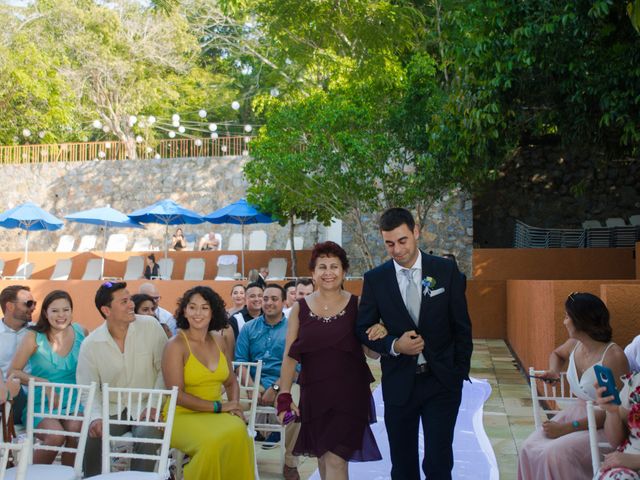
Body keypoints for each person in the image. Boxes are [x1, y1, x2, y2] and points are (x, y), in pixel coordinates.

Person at [355, 207, 473, 480]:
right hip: (399, 383)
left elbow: (462, 326)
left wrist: (457, 372)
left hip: (441, 381)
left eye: (402, 240)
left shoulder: (445, 270)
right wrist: (395, 344)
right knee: (403, 465)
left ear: (415, 232)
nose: (396, 249)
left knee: (438, 462)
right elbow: (362, 328)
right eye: (389, 243)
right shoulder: (375, 279)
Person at [279, 242, 385, 480]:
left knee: (335, 461)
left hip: (349, 395)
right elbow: (289, 355)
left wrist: (379, 331)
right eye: (322, 267)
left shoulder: (358, 305)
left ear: (344, 271)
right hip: (314, 395)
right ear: (313, 273)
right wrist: (284, 395)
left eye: (334, 267)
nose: (328, 272)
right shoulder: (300, 308)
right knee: (324, 461)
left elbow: (372, 353)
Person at [518, 292, 629, 480]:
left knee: (555, 454)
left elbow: (613, 409)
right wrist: (554, 371)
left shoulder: (613, 357)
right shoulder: (575, 344)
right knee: (527, 447)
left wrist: (567, 428)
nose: (564, 322)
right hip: (574, 414)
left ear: (580, 320)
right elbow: (557, 354)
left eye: (567, 316)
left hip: (601, 426)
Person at [162, 286, 254, 480]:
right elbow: (177, 396)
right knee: (212, 441)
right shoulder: (175, 345)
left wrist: (234, 406)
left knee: (239, 431)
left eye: (204, 308)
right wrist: (221, 406)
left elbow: (230, 381)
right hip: (180, 415)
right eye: (192, 307)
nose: (198, 313)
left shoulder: (220, 341)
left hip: (215, 412)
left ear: (213, 312)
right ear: (184, 311)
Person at [77, 281, 168, 477]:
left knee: (148, 434)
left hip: (145, 406)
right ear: (106, 310)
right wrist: (96, 418)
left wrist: (154, 404)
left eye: (130, 299)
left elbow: (164, 369)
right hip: (111, 409)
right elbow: (88, 389)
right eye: (124, 301)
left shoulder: (151, 326)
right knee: (92, 434)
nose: (131, 305)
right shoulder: (90, 344)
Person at [9, 290, 87, 465]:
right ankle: (29, 477)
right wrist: (43, 382)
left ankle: (68, 477)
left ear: (71, 311)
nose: (61, 315)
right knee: (55, 436)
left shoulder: (82, 332)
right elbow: (13, 371)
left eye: (66, 310)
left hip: (73, 400)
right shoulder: (33, 336)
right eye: (55, 310)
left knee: (76, 432)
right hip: (41, 401)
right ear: (45, 313)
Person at [235, 284, 301, 480]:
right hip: (253, 384)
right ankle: (239, 457)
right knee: (229, 407)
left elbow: (297, 365)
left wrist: (275, 388)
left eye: (274, 299)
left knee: (295, 414)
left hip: (285, 384)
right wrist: (250, 388)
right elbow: (240, 361)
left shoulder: (294, 329)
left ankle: (290, 462)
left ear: (283, 302)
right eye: (265, 299)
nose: (269, 303)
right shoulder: (248, 328)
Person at [0, 285, 37, 424]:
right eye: (28, 303)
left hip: (34, 396)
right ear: (9, 306)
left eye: (34, 303)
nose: (33, 307)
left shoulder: (38, 332)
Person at [595, 371, 640, 479]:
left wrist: (637, 460)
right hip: (627, 461)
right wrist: (612, 412)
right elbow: (616, 441)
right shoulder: (635, 383)